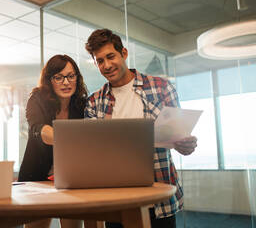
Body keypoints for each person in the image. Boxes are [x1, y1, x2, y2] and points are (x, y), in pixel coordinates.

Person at [84, 29, 197, 228]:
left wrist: (185, 144)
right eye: (100, 61)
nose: (107, 65)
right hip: (115, 198)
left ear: (124, 53)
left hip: (159, 194)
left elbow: (179, 139)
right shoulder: (94, 102)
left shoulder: (161, 87)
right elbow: (93, 153)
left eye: (111, 56)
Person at [18, 54, 87, 228]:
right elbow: (38, 129)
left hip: (71, 179)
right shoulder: (36, 100)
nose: (66, 82)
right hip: (37, 178)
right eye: (59, 77)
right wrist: (69, 139)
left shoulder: (81, 104)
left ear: (77, 78)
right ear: (49, 80)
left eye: (71, 76)